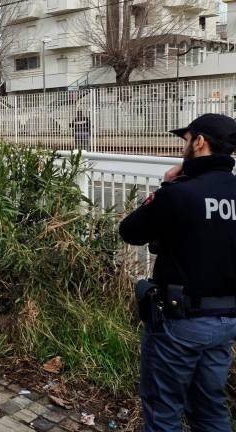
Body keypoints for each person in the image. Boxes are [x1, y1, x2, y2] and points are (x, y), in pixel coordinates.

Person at [119, 113, 236, 432]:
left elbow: (130, 231)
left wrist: (166, 185)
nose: (184, 147)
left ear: (199, 142)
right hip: (227, 321)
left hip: (180, 324)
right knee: (210, 408)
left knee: (163, 410)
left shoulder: (179, 193)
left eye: (186, 140)